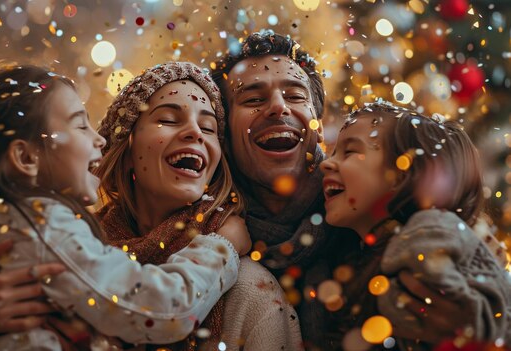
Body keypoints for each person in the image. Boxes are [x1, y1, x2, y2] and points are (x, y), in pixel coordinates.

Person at [0, 65, 245, 350]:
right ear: (26, 158)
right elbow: (164, 311)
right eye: (80, 124)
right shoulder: (46, 228)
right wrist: (220, 248)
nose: (99, 138)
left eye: (209, 127)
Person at [210, 30, 504, 349]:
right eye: (253, 99)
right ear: (222, 132)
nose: (278, 107)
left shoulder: (396, 216)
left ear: (317, 124)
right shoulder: (205, 234)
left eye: (295, 96)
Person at [97, 61, 302, 350]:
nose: (195, 132)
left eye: (208, 127)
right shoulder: (80, 253)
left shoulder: (250, 289)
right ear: (126, 146)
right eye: (168, 119)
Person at [320, 101, 511, 349]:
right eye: (333, 151)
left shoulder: (430, 235)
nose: (326, 163)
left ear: (401, 174)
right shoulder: (361, 252)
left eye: (350, 152)